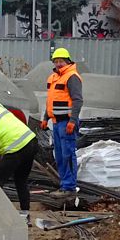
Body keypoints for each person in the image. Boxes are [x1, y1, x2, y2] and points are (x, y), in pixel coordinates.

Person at [40, 47, 83, 198]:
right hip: (56, 123)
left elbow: (78, 100)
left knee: (67, 154)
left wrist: (73, 120)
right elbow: (50, 101)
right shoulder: (53, 78)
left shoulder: (72, 76)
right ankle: (64, 185)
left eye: (61, 61)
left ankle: (69, 187)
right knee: (59, 155)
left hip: (67, 123)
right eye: (56, 61)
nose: (58, 64)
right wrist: (46, 118)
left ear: (67, 61)